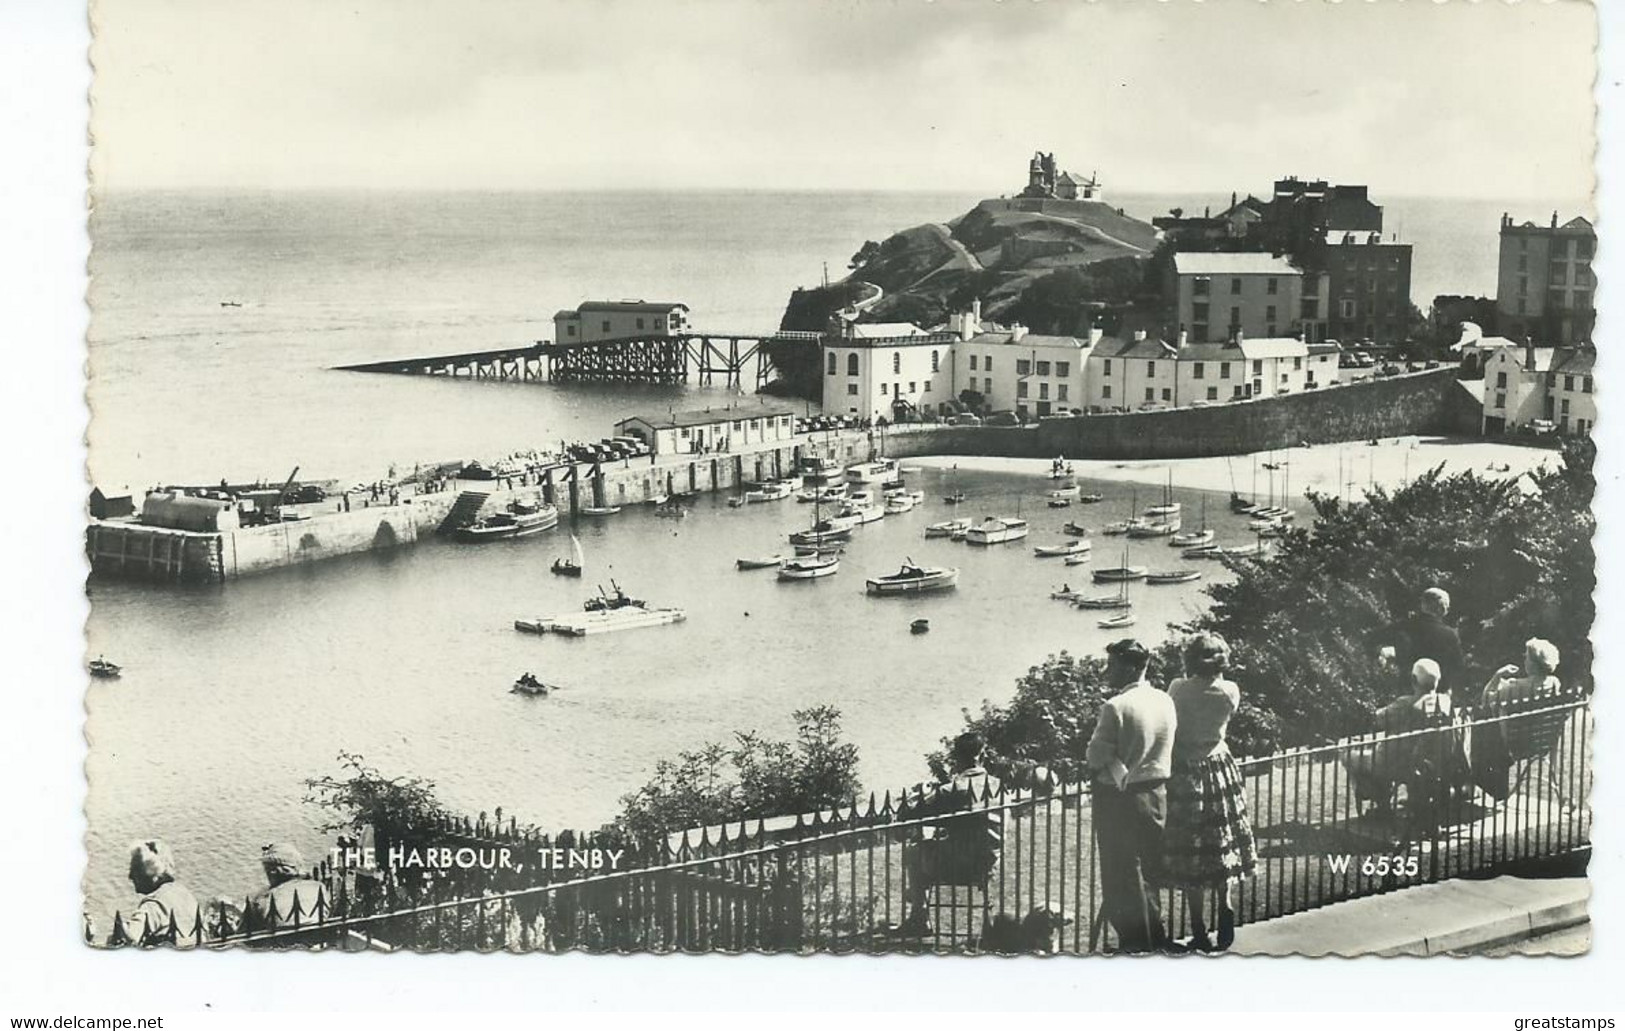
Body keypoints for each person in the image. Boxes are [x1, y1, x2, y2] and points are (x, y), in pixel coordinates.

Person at [1155, 634, 1257, 952]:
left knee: (1192, 849)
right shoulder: (1229, 691)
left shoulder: (1177, 688)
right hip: (1219, 766)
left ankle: (1198, 925)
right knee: (1219, 839)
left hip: (1187, 770)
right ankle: (1224, 905)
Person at [898, 731, 1052, 936]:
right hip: (987, 865)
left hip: (956, 866)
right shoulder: (998, 786)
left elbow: (908, 815)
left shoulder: (950, 790)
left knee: (914, 851)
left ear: (956, 758)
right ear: (982, 755)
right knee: (929, 845)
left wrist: (922, 793)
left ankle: (919, 916)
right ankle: (923, 905)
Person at [1085, 638, 1177, 953]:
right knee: (1149, 870)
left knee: (1122, 874)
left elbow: (1095, 756)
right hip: (1157, 793)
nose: (1107, 671)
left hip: (1120, 798)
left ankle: (1137, 946)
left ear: (1128, 667)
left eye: (1111, 665)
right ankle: (1155, 937)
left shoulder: (1116, 706)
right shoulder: (1164, 699)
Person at [1373, 587, 1464, 699]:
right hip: (1438, 694)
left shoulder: (1405, 626)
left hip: (1408, 691)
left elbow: (1372, 638)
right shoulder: (1449, 635)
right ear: (1441, 608)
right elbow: (1458, 667)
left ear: (1423, 605)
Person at [108, 840, 202, 947]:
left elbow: (129, 938)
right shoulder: (185, 894)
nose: (130, 876)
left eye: (136, 870)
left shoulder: (153, 905)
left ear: (154, 873)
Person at [246, 843, 328, 933]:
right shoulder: (318, 887)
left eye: (266, 869)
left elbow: (243, 935)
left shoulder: (262, 898)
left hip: (281, 944)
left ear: (273, 871)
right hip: (318, 939)